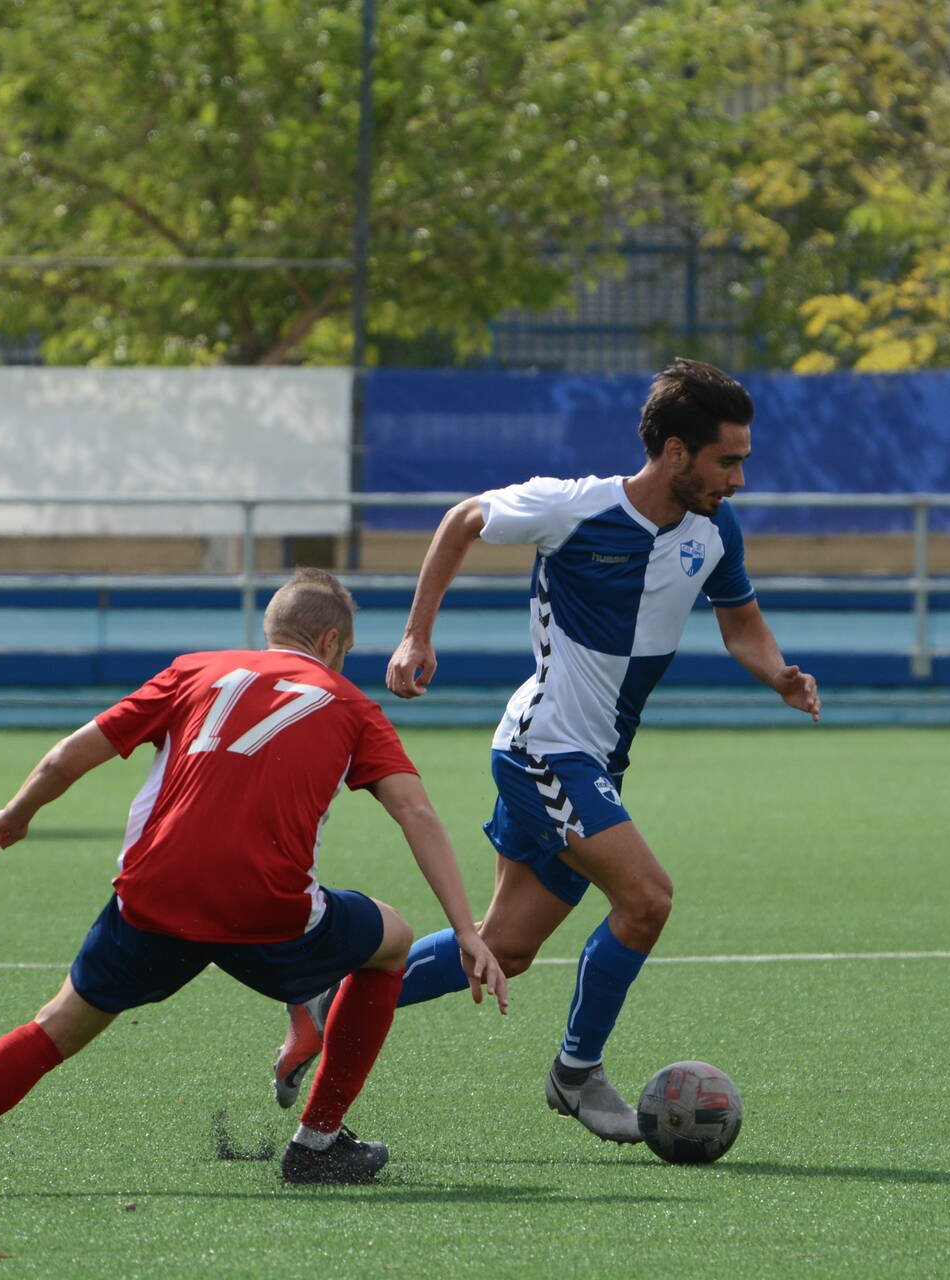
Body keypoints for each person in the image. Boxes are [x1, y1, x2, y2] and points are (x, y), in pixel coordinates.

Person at [273, 357, 820, 1143]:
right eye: (726, 460)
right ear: (674, 452)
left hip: (594, 761)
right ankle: (576, 1074)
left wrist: (778, 676)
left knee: (506, 948)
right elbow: (463, 519)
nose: (737, 478)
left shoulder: (713, 529)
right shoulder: (576, 508)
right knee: (647, 899)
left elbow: (740, 623)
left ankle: (327, 1004)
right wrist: (416, 634)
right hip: (544, 751)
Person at [0, 568, 507, 1195]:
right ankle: (317, 1141)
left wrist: (17, 811)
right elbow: (414, 810)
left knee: (56, 1024)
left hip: (153, 901)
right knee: (393, 940)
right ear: (331, 643)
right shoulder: (351, 705)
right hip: (267, 913)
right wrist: (467, 928)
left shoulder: (194, 671)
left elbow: (76, 750)